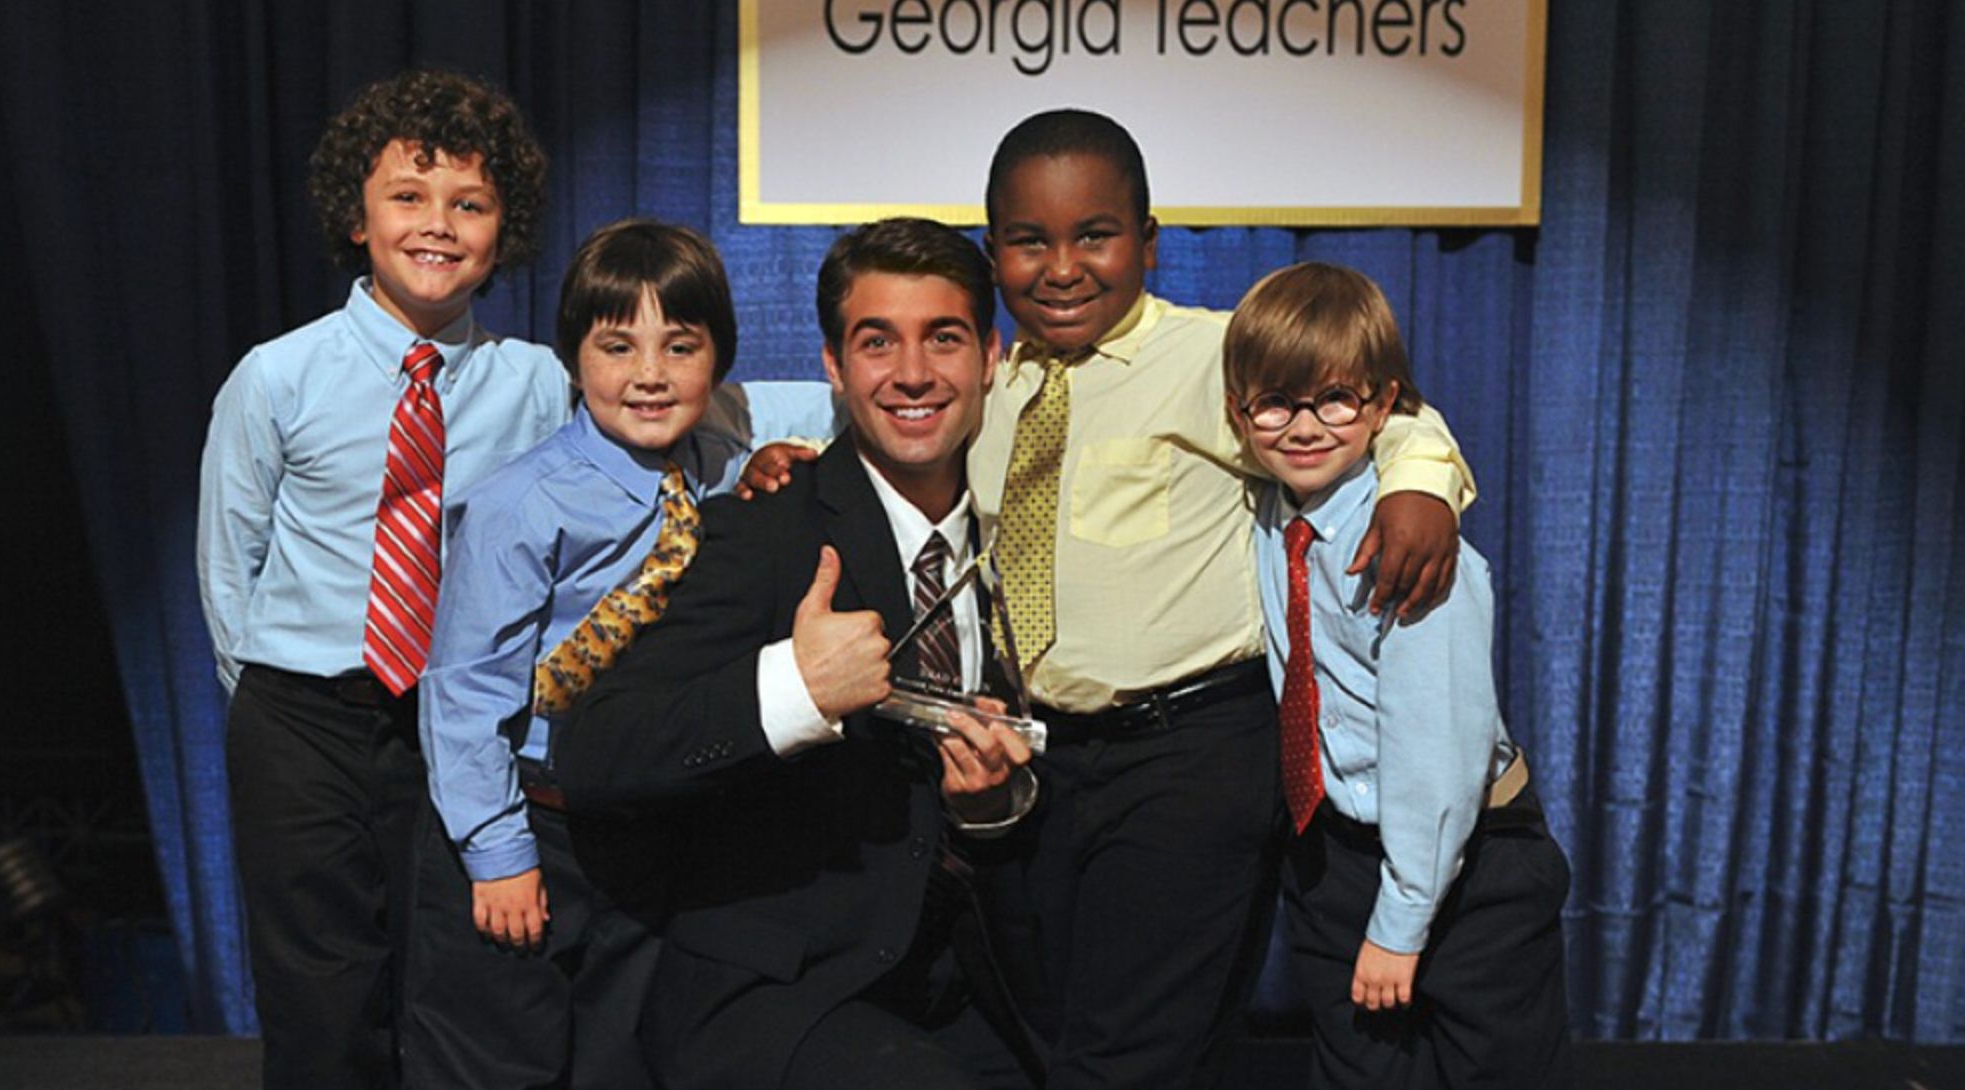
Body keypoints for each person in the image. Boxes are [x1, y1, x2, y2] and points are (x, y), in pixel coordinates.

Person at [197, 70, 828, 1087]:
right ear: (354, 219)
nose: (437, 225)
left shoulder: (540, 376)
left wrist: (762, 457)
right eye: (408, 197)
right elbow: (230, 574)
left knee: (443, 979)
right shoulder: (278, 376)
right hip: (305, 714)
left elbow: (671, 419)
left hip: (448, 719)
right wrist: (279, 710)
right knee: (323, 992)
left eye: (470, 204)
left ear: (506, 226)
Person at [966, 109, 1475, 1088]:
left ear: (1148, 244)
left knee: (1131, 1050)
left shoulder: (1212, 356)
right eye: (1029, 241)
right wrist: (782, 460)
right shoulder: (984, 385)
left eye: (1094, 235)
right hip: (1038, 758)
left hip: (1188, 749)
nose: (1061, 265)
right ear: (993, 254)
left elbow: (1388, 409)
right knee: (1043, 1032)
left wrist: (1419, 483)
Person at [554, 218, 1039, 1090]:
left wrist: (992, 803)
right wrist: (792, 690)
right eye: (877, 342)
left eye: (945, 338)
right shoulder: (766, 530)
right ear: (832, 366)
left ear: (991, 355)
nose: (915, 373)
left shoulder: (1027, 533)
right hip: (778, 996)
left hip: (968, 989)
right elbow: (597, 748)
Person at [409, 220, 832, 1089]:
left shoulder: (718, 469)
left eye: (681, 346)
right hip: (532, 820)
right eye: (616, 346)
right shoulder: (520, 507)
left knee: (622, 1059)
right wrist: (500, 855)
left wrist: (774, 461)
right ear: (572, 358)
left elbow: (839, 406)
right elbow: (463, 696)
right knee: (501, 1059)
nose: (649, 375)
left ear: (720, 360)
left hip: (649, 824)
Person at [1225, 262, 1571, 1089]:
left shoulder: (1411, 550)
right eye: (1274, 403)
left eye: (1335, 400)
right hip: (1336, 851)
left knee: (1496, 1069)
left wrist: (1402, 920)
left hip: (1467, 859)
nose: (1303, 427)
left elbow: (1437, 758)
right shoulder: (1270, 508)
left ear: (1381, 407)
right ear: (1240, 416)